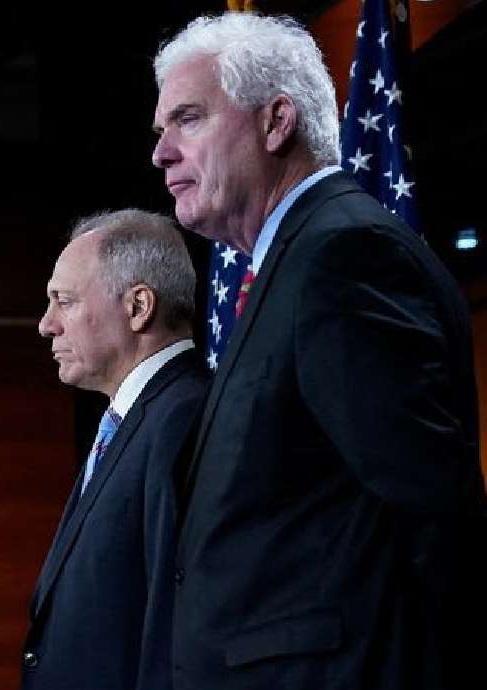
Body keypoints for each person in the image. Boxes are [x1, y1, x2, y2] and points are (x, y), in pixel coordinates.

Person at [150, 12, 486, 690]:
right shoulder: (284, 267)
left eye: (187, 119)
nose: (160, 152)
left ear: (276, 122)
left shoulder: (343, 257)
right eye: (160, 130)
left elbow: (434, 512)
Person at [23, 209, 207, 690]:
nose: (46, 325)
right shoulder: (131, 417)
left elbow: (175, 626)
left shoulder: (182, 420)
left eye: (63, 301)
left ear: (139, 306)